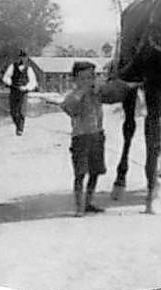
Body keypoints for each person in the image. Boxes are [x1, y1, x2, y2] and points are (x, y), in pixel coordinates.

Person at [60, 61, 140, 217]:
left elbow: (115, 90)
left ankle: (88, 201)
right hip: (80, 139)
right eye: (82, 79)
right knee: (80, 174)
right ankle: (79, 206)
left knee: (95, 172)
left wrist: (133, 85)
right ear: (75, 80)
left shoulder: (98, 92)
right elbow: (68, 107)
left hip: (97, 136)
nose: (87, 82)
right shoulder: (72, 96)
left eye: (90, 78)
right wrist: (82, 92)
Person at [2, 50, 38, 136]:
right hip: (14, 90)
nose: (22, 59)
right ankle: (18, 125)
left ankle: (20, 129)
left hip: (23, 92)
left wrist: (26, 87)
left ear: (26, 58)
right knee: (13, 111)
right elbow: (6, 77)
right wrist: (9, 82)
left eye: (24, 57)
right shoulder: (12, 66)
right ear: (19, 58)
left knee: (22, 111)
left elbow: (33, 81)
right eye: (21, 57)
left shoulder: (29, 69)